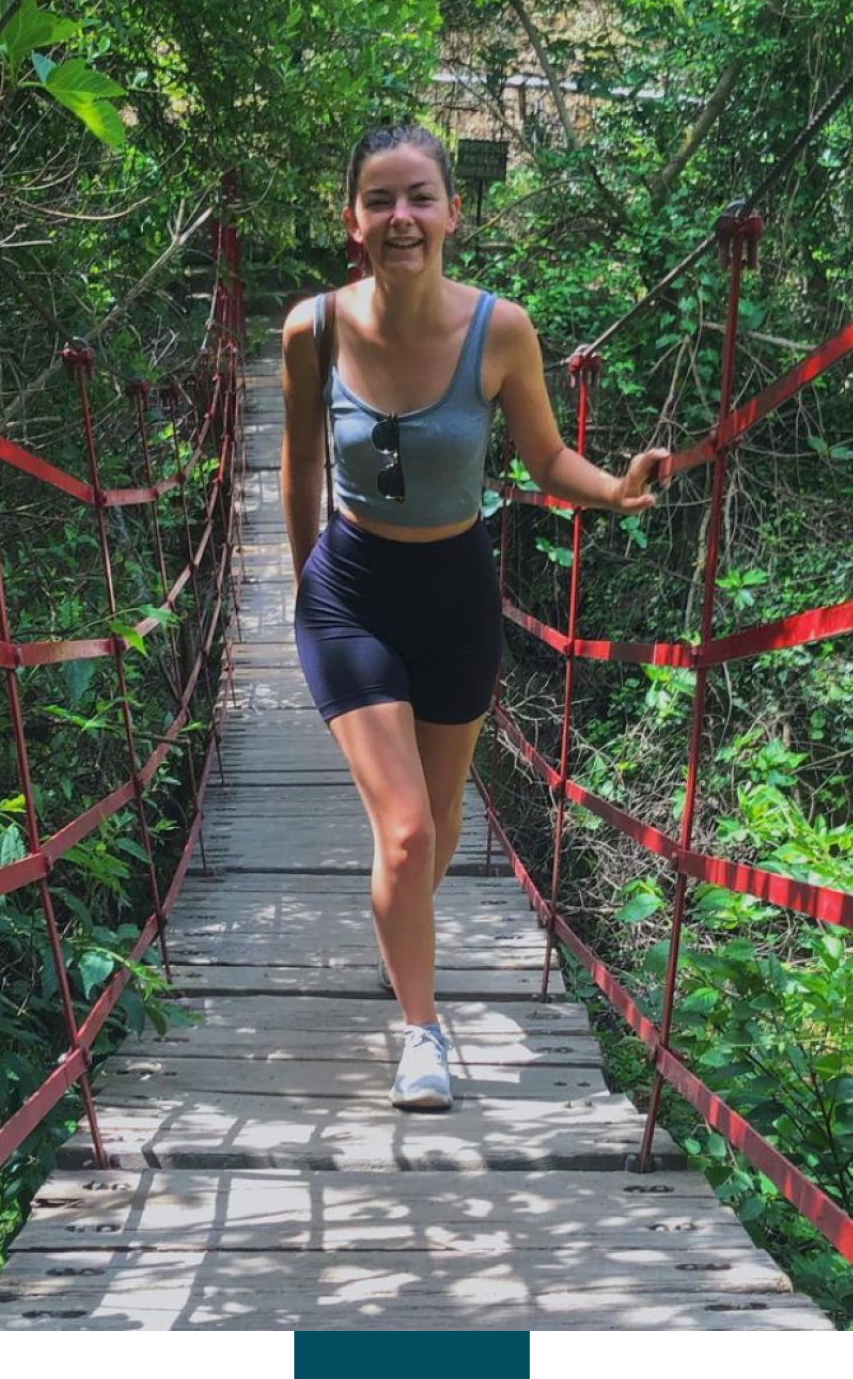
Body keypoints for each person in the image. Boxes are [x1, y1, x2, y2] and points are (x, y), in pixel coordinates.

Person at [280, 124, 666, 1112]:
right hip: (351, 592)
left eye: (419, 197)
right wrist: (302, 588)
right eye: (379, 199)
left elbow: (544, 462)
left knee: (440, 827)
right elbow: (301, 467)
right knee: (406, 832)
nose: (400, 217)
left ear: (455, 211)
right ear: (352, 219)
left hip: (457, 591)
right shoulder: (311, 328)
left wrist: (613, 491)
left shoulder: (501, 329)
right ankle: (420, 1030)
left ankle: (396, 930)